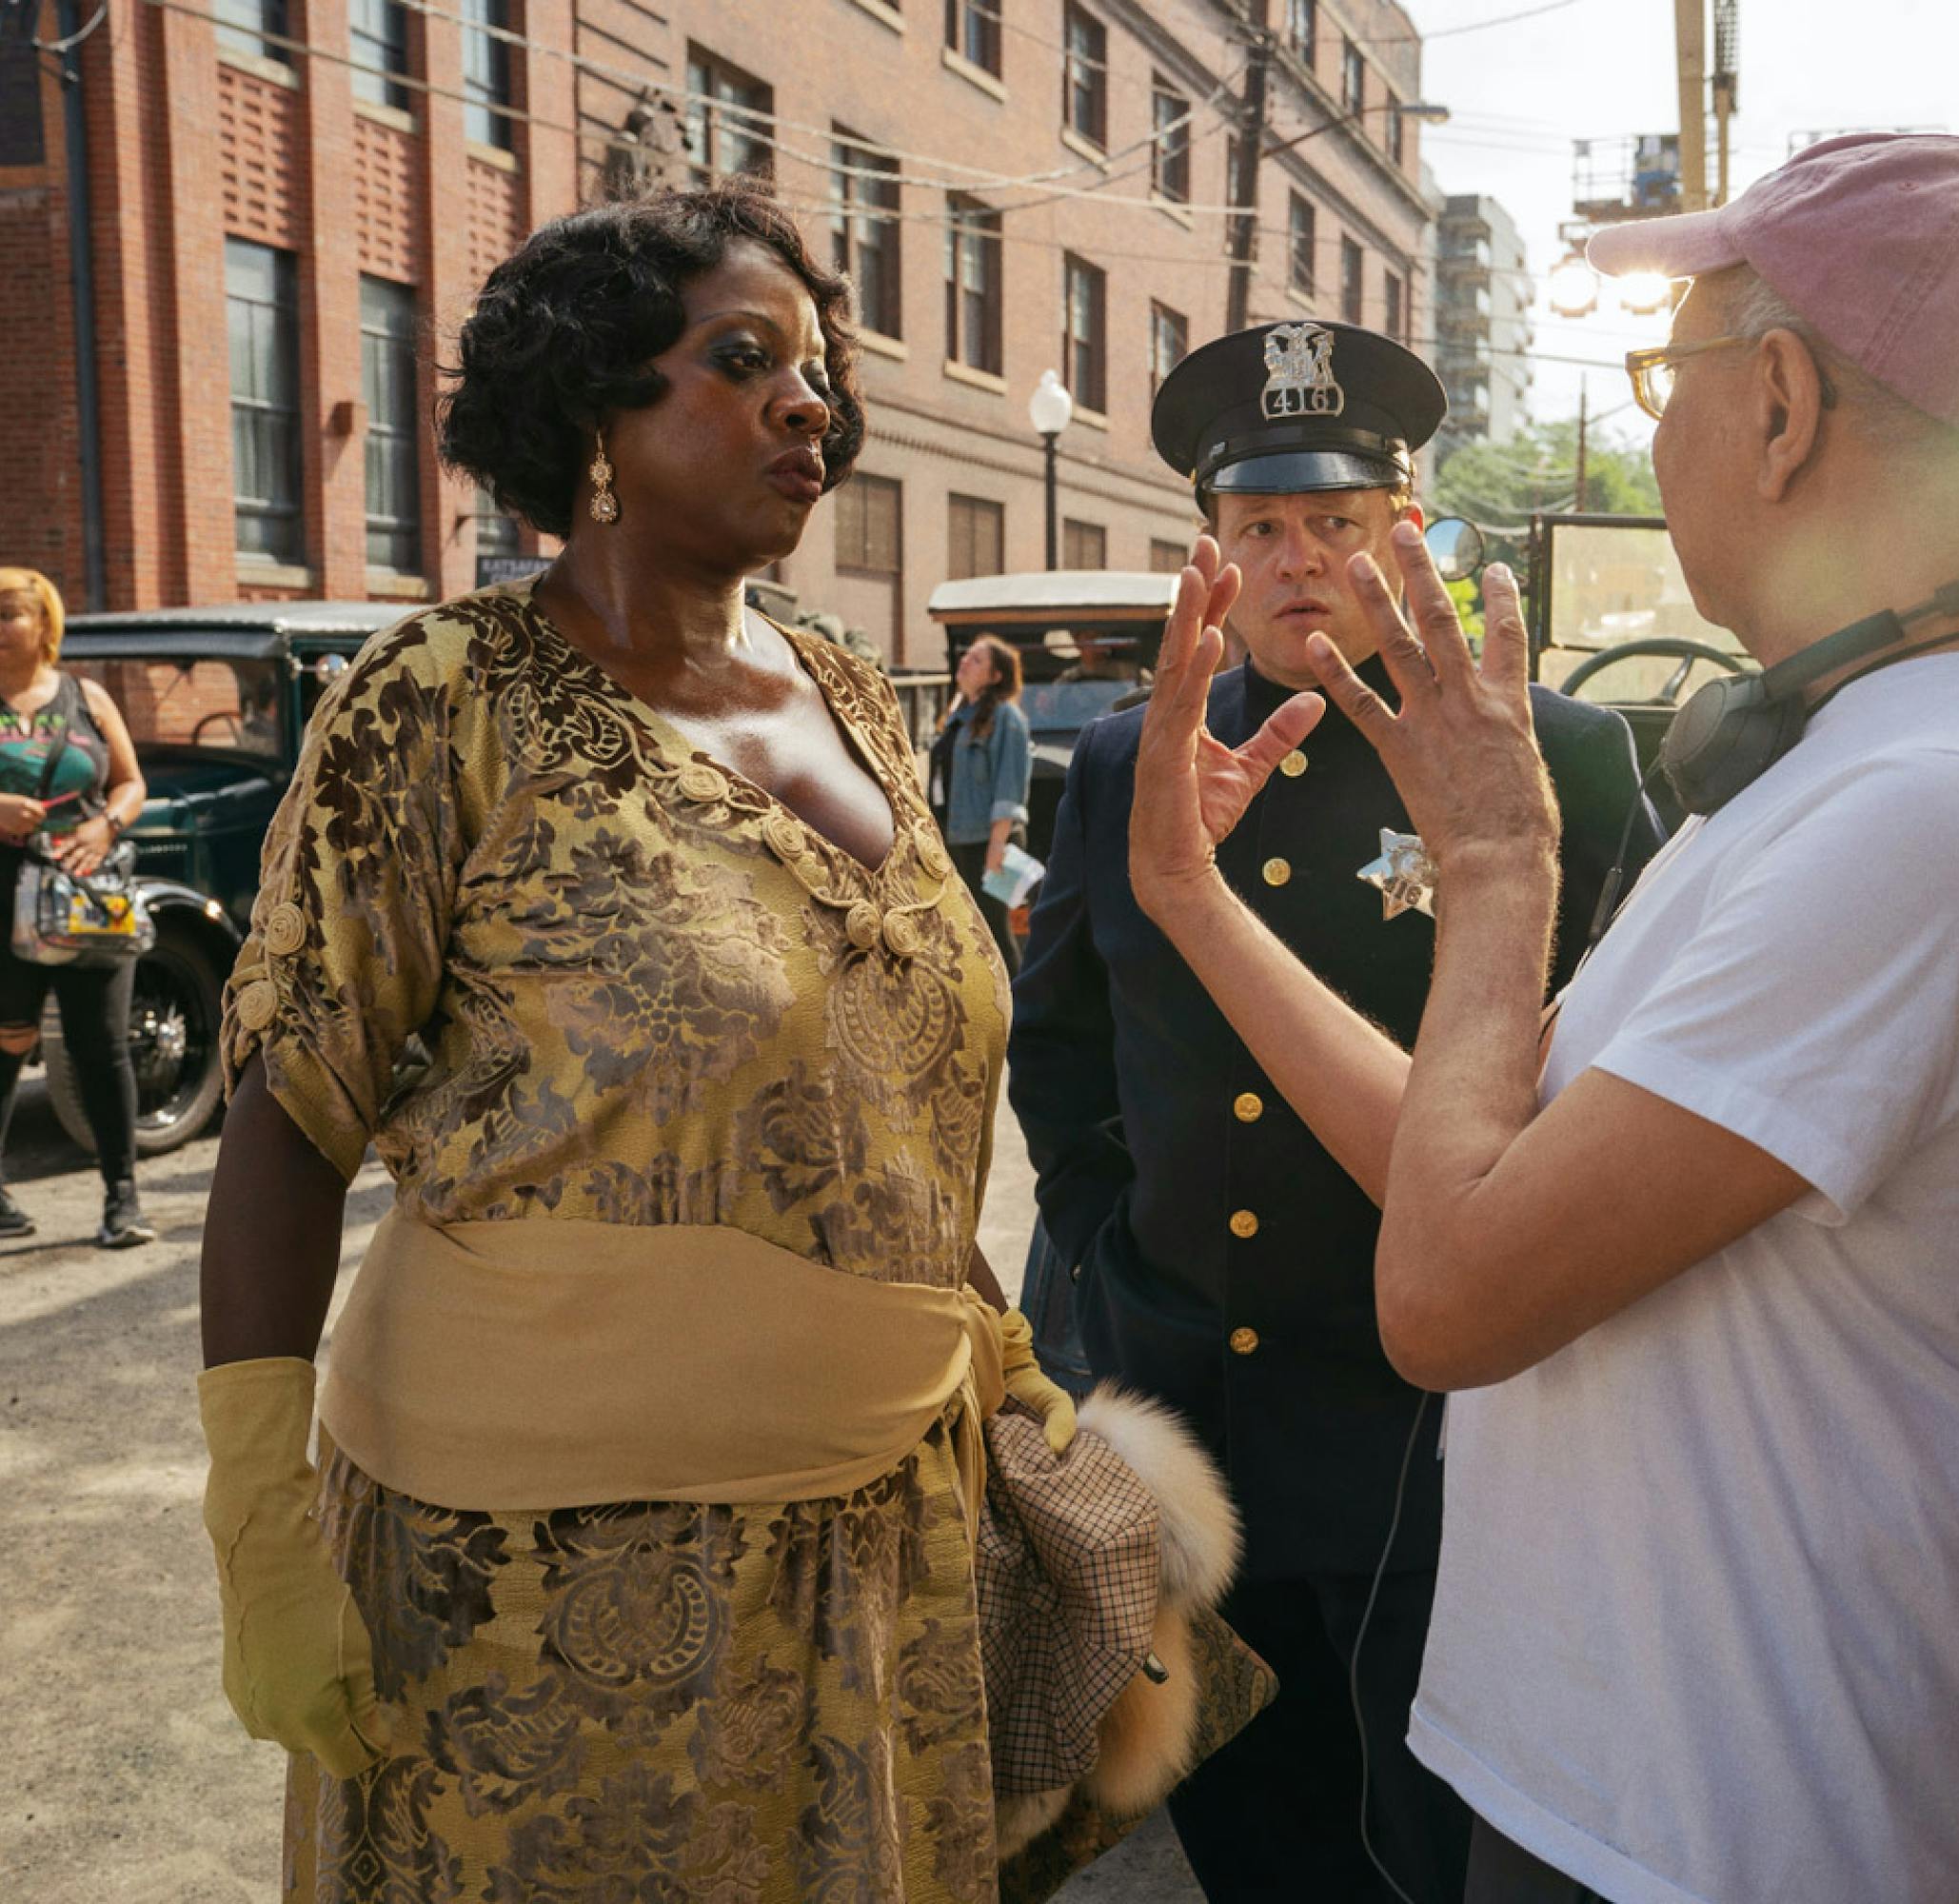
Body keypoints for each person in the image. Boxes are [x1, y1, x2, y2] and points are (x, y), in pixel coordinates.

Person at [1123, 137, 1959, 1901]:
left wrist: (1503, 866)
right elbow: (1478, 1175)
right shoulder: (1861, 757)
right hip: (1608, 1763)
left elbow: (1447, 1298)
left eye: (1663, 369)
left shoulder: (1938, 807)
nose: (1658, 419)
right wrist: (1193, 907)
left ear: (1778, 405)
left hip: (1712, 1816)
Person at [191, 183, 1076, 1899]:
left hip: (882, 1541)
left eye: (817, 369)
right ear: (593, 410)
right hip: (537, 1589)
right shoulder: (443, 696)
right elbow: (285, 1116)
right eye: (741, 363)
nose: (808, 404)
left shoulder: (864, 703)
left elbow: (895, 1091)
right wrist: (259, 1536)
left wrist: (1010, 1376)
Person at [1007, 319, 1657, 1901]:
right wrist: (1113, 1264)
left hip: (1430, 1431)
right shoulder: (1119, 761)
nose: (1300, 562)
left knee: (1443, 1851)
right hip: (1196, 1423)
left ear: (1407, 525)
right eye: (1261, 529)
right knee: (1256, 1841)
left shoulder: (1546, 754)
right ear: (1209, 551)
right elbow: (1064, 1053)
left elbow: (1616, 1076)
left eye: (1339, 525)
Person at [0, 566, 155, 1248]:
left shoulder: (85, 695)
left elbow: (129, 782)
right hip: (4, 899)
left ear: (44, 625)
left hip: (88, 894)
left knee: (102, 1047)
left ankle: (124, 1201)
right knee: (7, 1040)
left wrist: (107, 826)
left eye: (8, 613)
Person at [936, 632, 1031, 969]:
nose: (965, 662)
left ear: (995, 676)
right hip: (960, 838)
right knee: (967, 933)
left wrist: (996, 849)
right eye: (966, 656)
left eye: (976, 659)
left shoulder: (1008, 718)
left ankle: (1020, 1016)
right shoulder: (960, 717)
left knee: (997, 934)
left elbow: (1009, 786)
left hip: (994, 843)